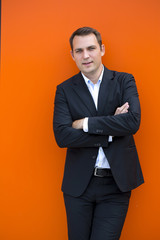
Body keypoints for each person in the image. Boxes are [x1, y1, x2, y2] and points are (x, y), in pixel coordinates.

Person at [53, 27, 144, 240]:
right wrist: (112, 129)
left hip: (116, 185)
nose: (86, 55)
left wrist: (84, 123)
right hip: (78, 188)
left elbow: (132, 122)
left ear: (102, 49)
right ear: (72, 55)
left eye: (91, 48)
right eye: (79, 50)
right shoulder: (64, 90)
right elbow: (62, 136)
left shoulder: (124, 81)